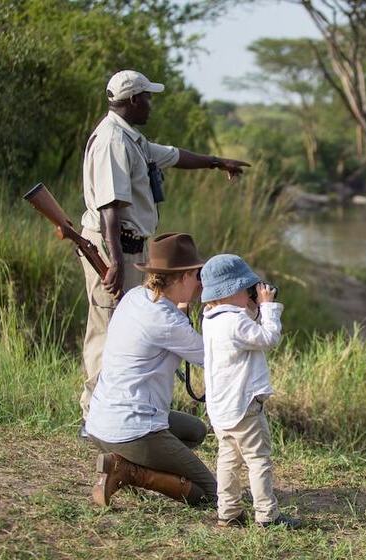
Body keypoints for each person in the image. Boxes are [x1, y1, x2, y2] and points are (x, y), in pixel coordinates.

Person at [78, 69, 251, 431]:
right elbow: (110, 209)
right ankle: (96, 418)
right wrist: (115, 264)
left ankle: (121, 414)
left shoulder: (131, 139)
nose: (151, 105)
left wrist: (217, 162)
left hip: (130, 248)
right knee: (109, 330)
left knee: (128, 328)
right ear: (133, 100)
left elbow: (172, 156)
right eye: (148, 98)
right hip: (115, 248)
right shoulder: (112, 140)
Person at [86, 233, 217, 508]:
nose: (200, 283)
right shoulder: (168, 322)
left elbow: (165, 329)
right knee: (211, 494)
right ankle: (130, 472)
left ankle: (121, 462)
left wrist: (183, 309)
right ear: (182, 277)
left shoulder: (136, 297)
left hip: (100, 423)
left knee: (194, 431)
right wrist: (223, 314)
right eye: (197, 275)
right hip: (131, 429)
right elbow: (214, 358)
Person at [200, 254, 300, 528]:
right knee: (258, 460)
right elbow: (269, 338)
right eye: (248, 289)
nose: (252, 293)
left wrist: (252, 309)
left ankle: (228, 512)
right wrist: (267, 308)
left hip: (222, 408)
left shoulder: (210, 318)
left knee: (228, 460)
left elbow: (243, 331)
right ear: (234, 290)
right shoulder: (236, 322)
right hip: (244, 406)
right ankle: (268, 515)